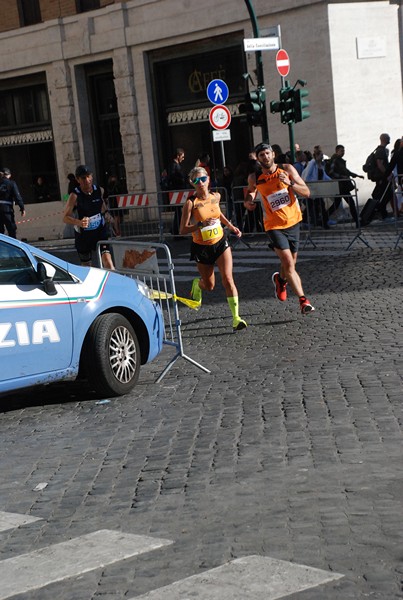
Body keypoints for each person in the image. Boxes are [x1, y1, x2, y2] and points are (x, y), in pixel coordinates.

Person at [244, 143, 315, 315]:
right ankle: (303, 301)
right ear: (258, 158)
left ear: (273, 154)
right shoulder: (255, 177)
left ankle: (280, 280)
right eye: (261, 155)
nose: (265, 157)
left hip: (293, 222)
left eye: (267, 153)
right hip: (273, 226)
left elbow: (306, 192)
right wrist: (249, 201)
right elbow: (250, 192)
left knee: (290, 263)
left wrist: (290, 184)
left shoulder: (287, 169)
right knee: (289, 264)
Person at [179, 166, 247, 332]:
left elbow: (218, 214)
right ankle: (198, 284)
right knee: (209, 285)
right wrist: (199, 224)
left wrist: (231, 226)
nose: (200, 183)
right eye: (196, 180)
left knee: (228, 279)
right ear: (192, 183)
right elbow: (182, 230)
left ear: (208, 179)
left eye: (203, 179)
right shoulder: (190, 203)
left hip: (220, 242)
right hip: (201, 247)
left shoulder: (216, 196)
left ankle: (236, 318)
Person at [63, 165, 114, 269]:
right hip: (84, 236)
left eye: (88, 176)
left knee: (108, 263)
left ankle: (113, 284)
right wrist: (79, 222)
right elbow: (65, 217)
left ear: (92, 176)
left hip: (99, 232)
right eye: (83, 178)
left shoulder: (99, 190)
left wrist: (107, 215)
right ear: (78, 180)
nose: (87, 180)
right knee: (87, 268)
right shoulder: (74, 195)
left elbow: (102, 206)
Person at [326, 144, 363, 227]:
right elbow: (331, 172)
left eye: (344, 151)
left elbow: (346, 171)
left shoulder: (340, 160)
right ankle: (357, 222)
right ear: (337, 151)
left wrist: (356, 175)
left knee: (336, 204)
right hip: (341, 186)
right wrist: (342, 177)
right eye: (341, 151)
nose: (343, 152)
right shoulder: (335, 160)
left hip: (342, 185)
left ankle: (324, 219)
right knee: (351, 203)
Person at [302, 145, 333, 228]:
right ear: (317, 156)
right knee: (312, 205)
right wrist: (309, 185)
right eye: (321, 156)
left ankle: (321, 222)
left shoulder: (320, 165)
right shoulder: (312, 163)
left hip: (318, 189)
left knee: (315, 205)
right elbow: (307, 176)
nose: (322, 158)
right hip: (312, 188)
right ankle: (322, 223)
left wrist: (331, 181)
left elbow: (324, 175)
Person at [372, 133, 393, 219]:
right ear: (384, 139)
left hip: (382, 177)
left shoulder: (382, 150)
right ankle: (380, 213)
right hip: (382, 178)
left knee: (384, 195)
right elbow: (380, 164)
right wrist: (387, 174)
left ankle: (382, 214)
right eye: (388, 138)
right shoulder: (381, 150)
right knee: (385, 195)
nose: (389, 139)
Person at [0, 167, 25, 239]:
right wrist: (22, 208)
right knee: (11, 230)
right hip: (7, 210)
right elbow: (17, 197)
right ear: (9, 175)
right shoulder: (11, 183)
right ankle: (13, 249)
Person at [167, 147, 186, 235]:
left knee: (179, 212)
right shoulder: (174, 165)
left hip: (178, 191)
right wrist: (181, 179)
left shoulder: (174, 165)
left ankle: (175, 230)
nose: (183, 158)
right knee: (179, 212)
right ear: (178, 156)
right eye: (182, 156)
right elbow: (172, 177)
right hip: (177, 191)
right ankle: (176, 230)